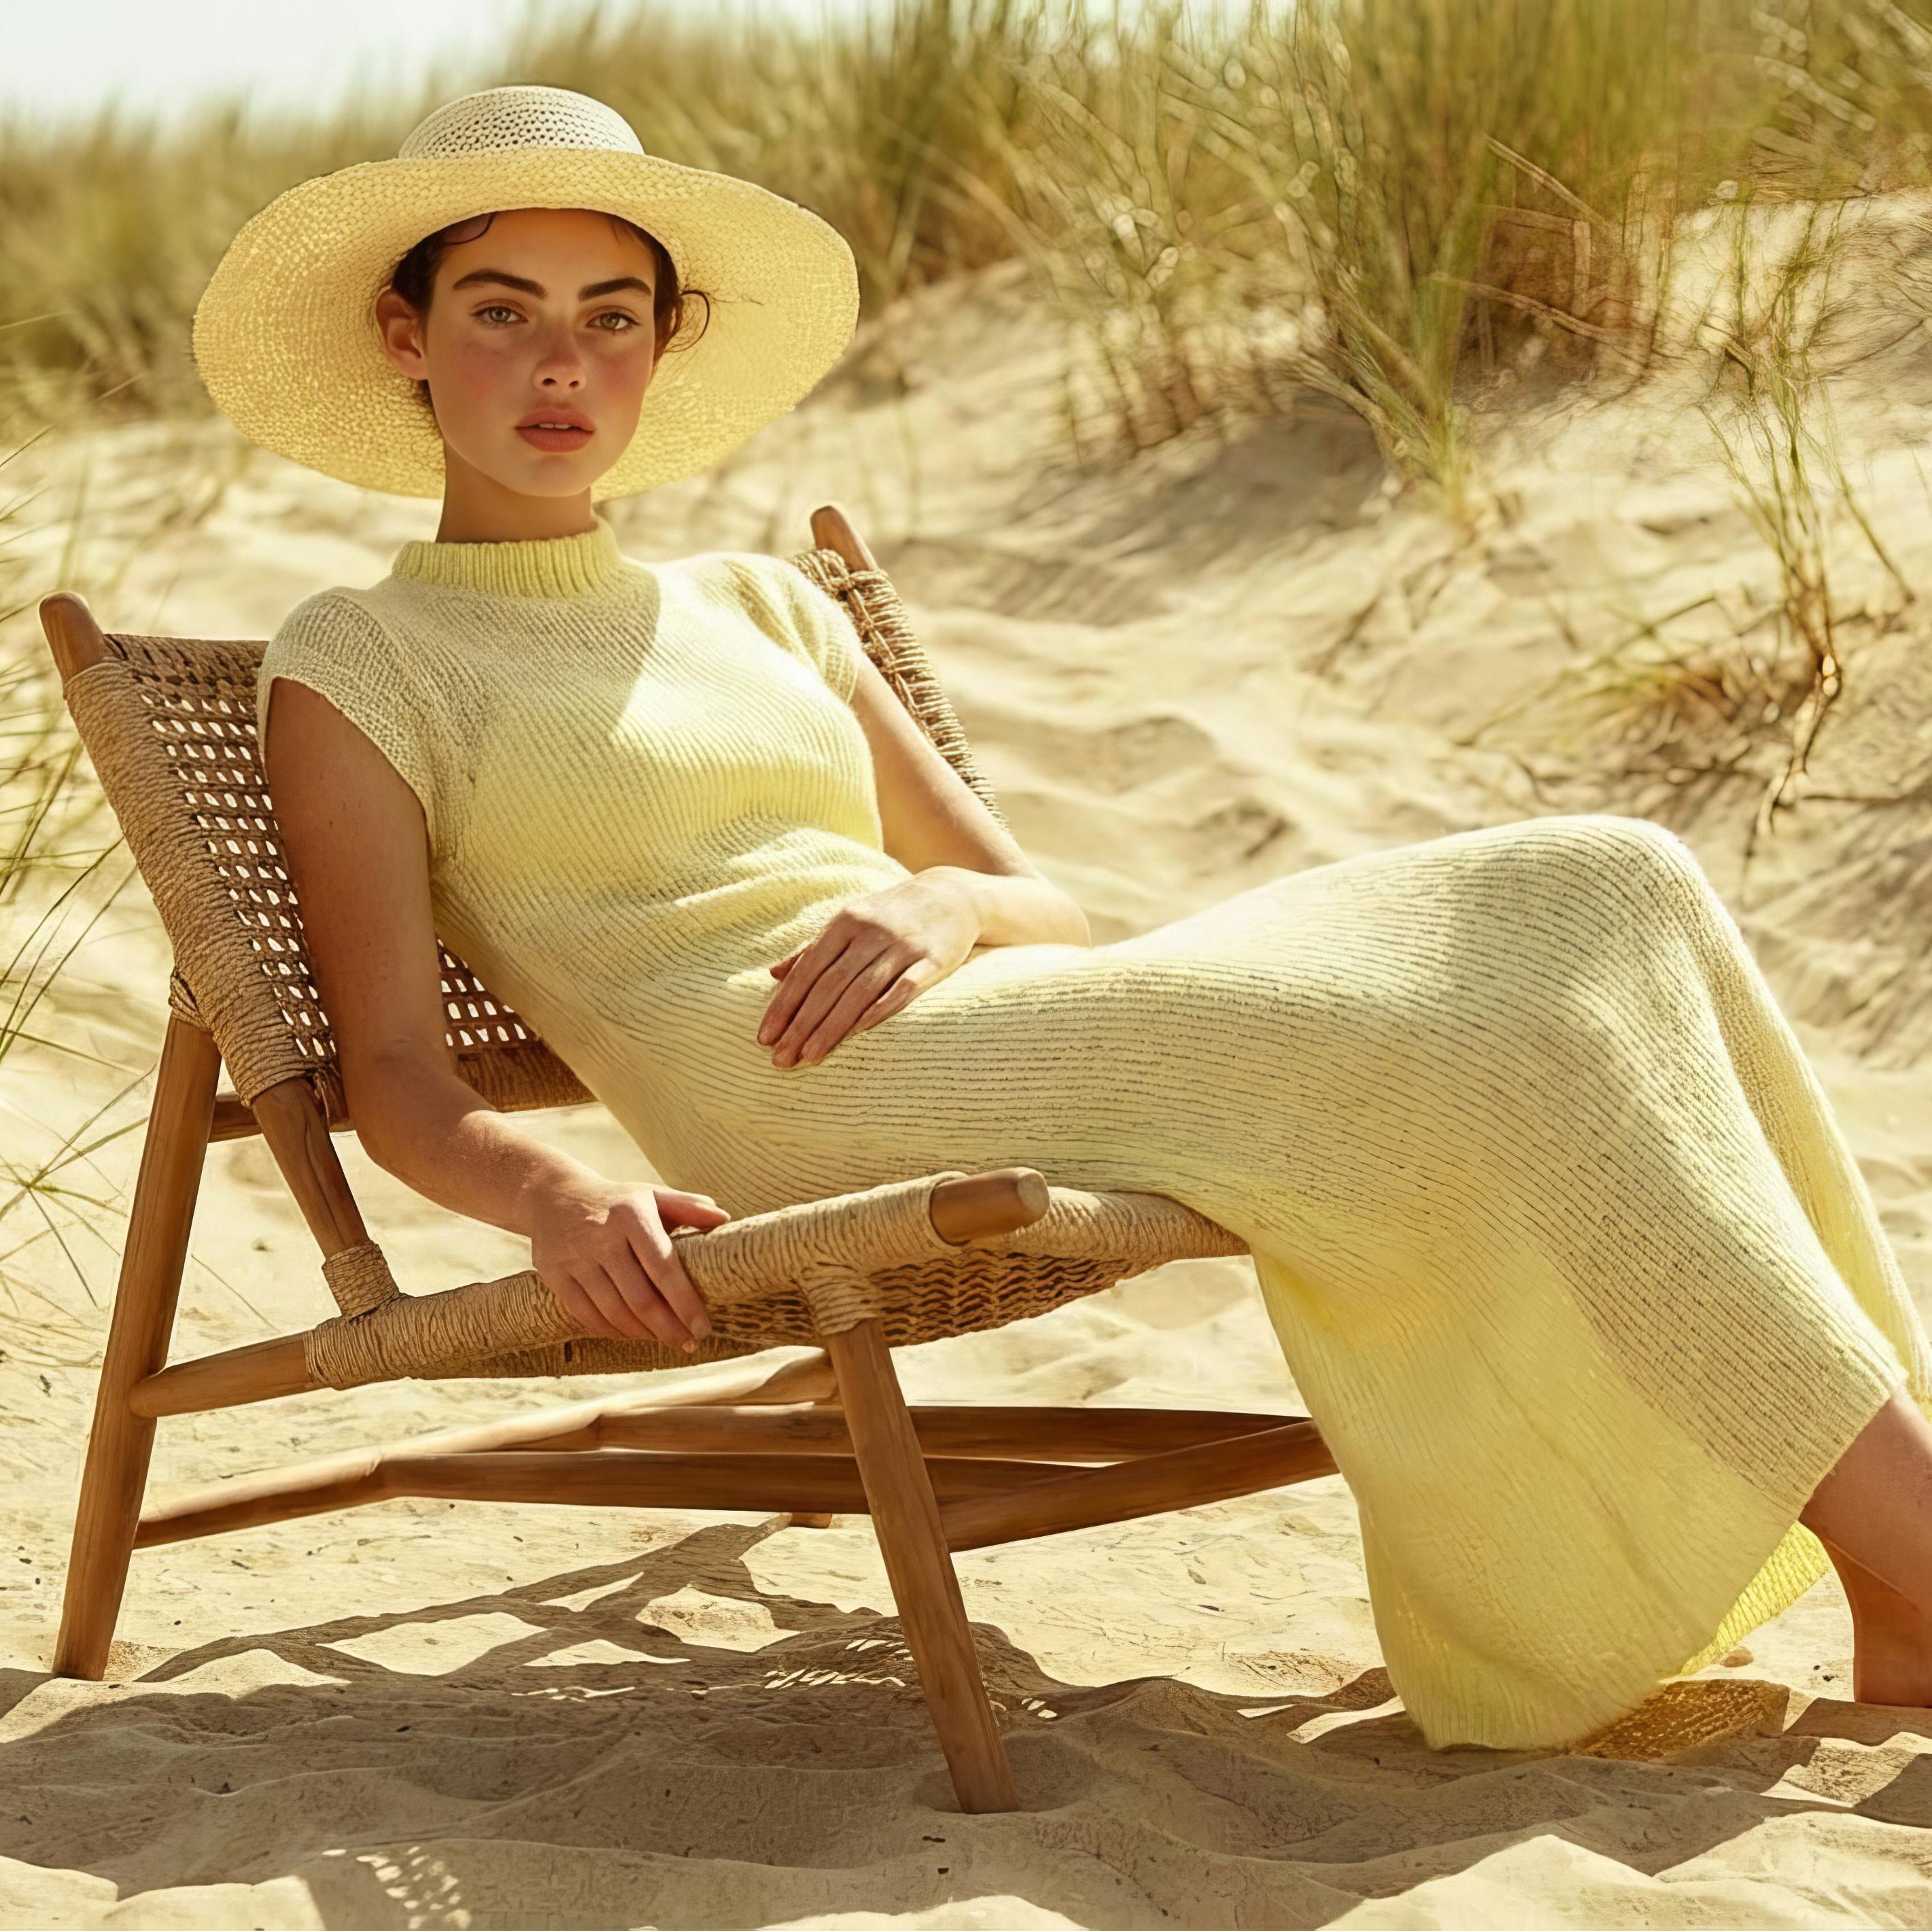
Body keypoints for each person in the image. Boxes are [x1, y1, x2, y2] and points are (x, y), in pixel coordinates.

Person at [193, 83, 1932, 1754]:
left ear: (665, 343)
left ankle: (1896, 1568)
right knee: (1469, 1036)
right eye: (502, 311)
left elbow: (1047, 899)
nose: (564, 361)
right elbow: (397, 1072)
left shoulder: (766, 603)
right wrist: (559, 1192)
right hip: (793, 1095)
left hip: (988, 1012)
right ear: (406, 337)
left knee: (1611, 875)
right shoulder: (361, 658)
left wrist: (942, 898)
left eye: (613, 312)